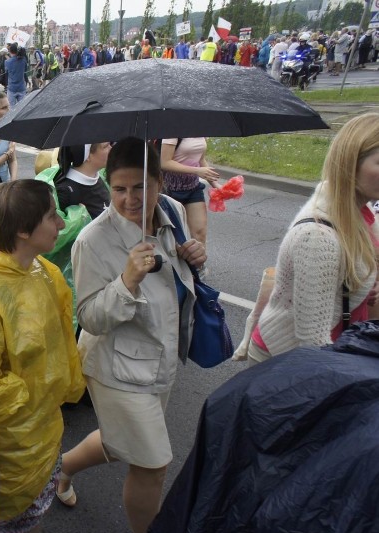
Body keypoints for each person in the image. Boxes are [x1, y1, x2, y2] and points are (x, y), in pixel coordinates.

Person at [57, 137, 206, 533]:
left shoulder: (173, 215)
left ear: (159, 183)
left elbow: (184, 282)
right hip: (115, 369)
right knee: (153, 462)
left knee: (125, 442)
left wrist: (194, 257)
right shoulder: (93, 240)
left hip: (161, 360)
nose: (130, 199)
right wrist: (127, 282)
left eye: (141, 187)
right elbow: (90, 318)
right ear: (107, 184)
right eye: (119, 189)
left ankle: (61, 470)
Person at [0, 179, 85, 533]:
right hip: (15, 434)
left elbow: (61, 335)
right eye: (52, 217)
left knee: (37, 503)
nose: (61, 225)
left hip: (45, 425)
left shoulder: (42, 270)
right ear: (23, 232)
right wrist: (29, 407)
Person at [248, 113, 379, 363]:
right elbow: (312, 341)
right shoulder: (317, 237)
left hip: (340, 345)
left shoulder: (363, 213)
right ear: (352, 163)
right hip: (286, 360)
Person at [159, 138, 219, 249]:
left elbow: (200, 160)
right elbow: (164, 162)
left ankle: (199, 266)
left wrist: (216, 185)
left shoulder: (199, 128)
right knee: (171, 238)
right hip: (169, 190)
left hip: (193, 188)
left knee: (199, 233)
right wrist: (196, 171)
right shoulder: (173, 129)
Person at [54, 142, 112, 219]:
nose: (111, 149)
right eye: (105, 146)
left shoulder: (98, 178)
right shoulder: (64, 192)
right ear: (88, 155)